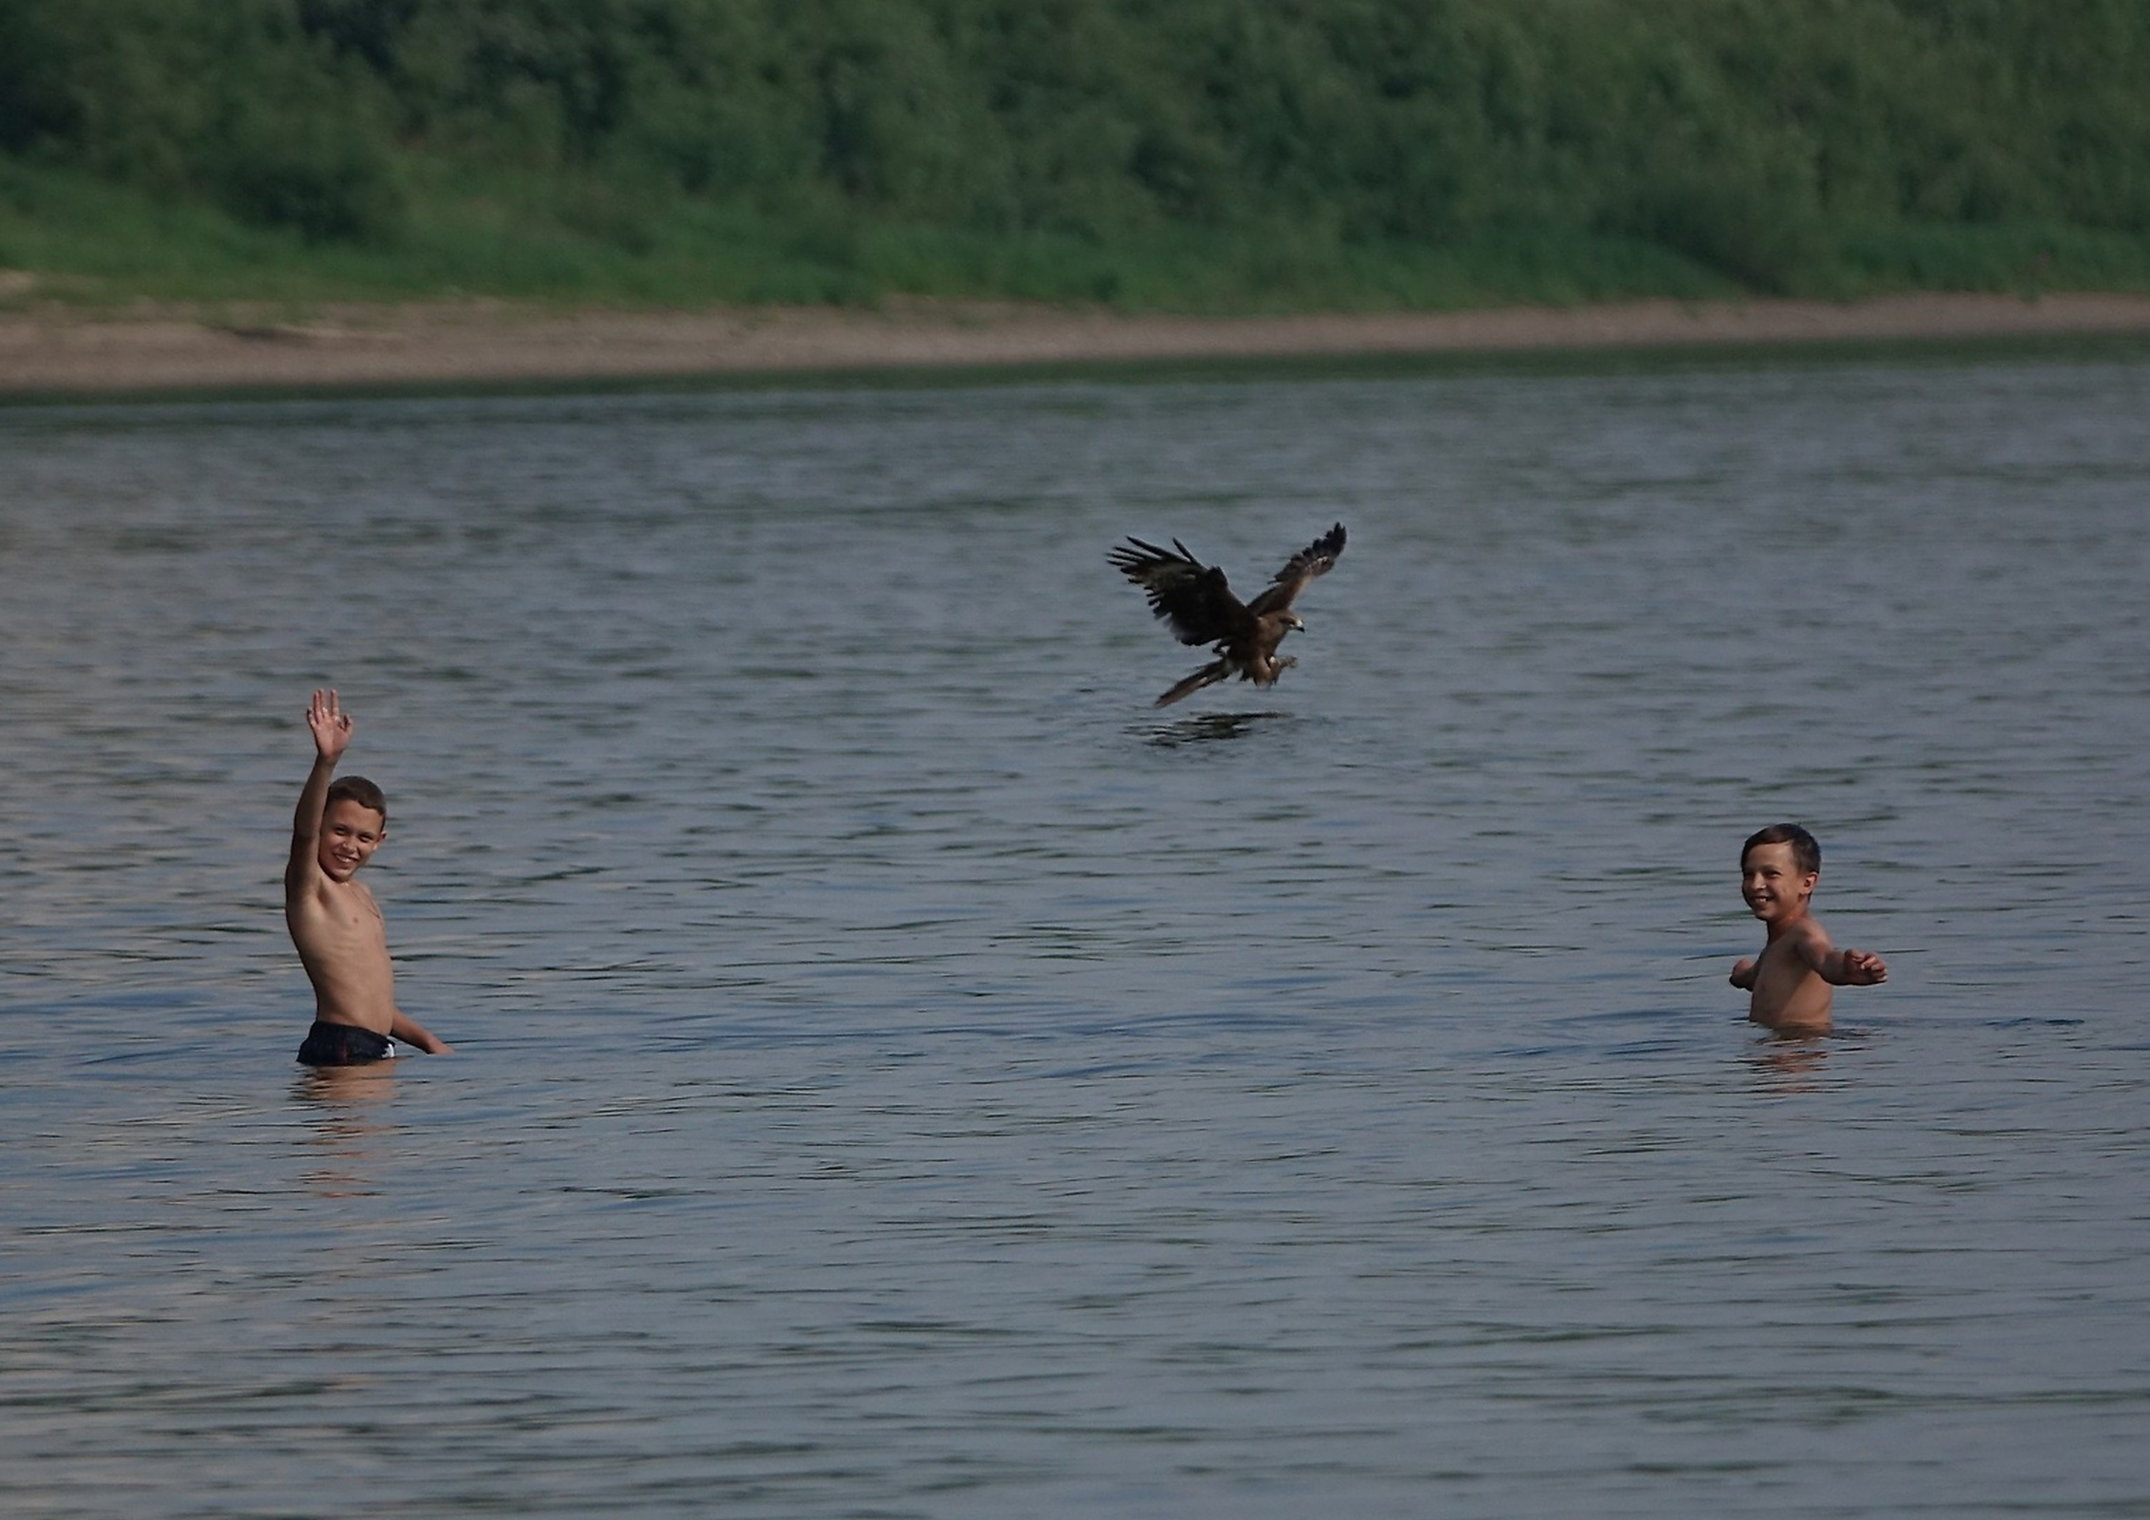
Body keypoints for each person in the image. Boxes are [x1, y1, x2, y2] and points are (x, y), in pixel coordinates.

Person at [288, 689, 452, 1065]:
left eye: (363, 837)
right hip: (341, 1045)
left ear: (379, 842)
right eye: (339, 831)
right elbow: (303, 833)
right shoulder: (310, 889)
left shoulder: (362, 895)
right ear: (321, 827)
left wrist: (428, 1040)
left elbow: (370, 999)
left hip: (374, 1045)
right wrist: (326, 762)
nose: (349, 845)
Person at [1730, 823, 1887, 1035]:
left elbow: (1824, 959)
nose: (1756, 884)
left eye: (1771, 874)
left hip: (1799, 1054)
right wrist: (1743, 975)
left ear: (1807, 883)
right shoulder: (1776, 945)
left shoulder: (1804, 934)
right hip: (1773, 1051)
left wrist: (1847, 970)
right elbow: (1762, 978)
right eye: (1749, 874)